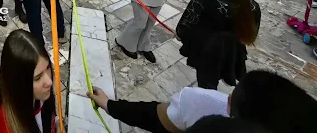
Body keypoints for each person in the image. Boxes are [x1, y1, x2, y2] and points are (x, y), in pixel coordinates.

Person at [87, 70, 317, 133]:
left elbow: (154, 116)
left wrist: (110, 105)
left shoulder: (204, 107)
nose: (227, 99)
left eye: (232, 99)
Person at [177, 0, 261, 89]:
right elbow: (252, 32)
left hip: (207, 47)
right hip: (232, 50)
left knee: (207, 84)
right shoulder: (253, 5)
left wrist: (182, 36)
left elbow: (188, 22)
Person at [0, 29, 57, 133]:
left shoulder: (41, 96)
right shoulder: (6, 128)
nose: (49, 81)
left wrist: (57, 122)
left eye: (48, 68)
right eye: (38, 78)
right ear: (19, 84)